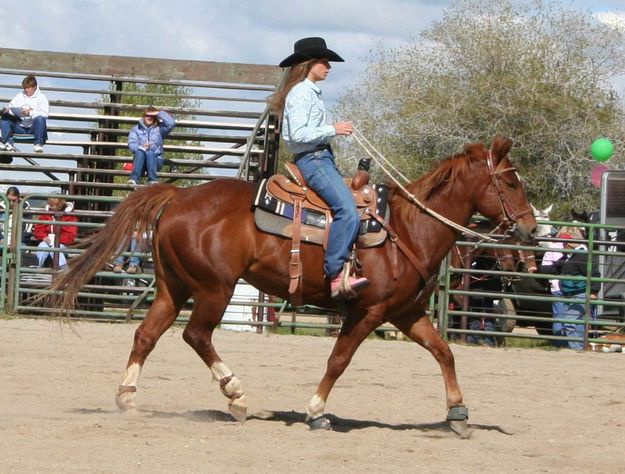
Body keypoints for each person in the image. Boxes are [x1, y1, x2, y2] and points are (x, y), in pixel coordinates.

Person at [270, 37, 369, 299]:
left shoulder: (308, 92)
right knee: (347, 209)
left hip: (320, 157)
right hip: (314, 159)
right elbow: (298, 135)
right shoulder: (302, 93)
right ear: (309, 63)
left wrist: (329, 131)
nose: (328, 66)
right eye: (324, 61)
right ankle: (336, 274)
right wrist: (332, 129)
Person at [546, 227, 600, 350]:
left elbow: (594, 274)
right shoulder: (570, 256)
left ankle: (577, 348)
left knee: (569, 321)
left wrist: (593, 291)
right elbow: (556, 268)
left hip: (580, 294)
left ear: (571, 243)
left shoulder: (581, 256)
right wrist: (537, 269)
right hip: (572, 294)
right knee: (574, 321)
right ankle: (579, 347)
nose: (562, 245)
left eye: (564, 243)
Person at [127, 107, 175, 186]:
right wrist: (142, 147)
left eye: (152, 116)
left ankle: (153, 180)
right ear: (143, 116)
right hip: (140, 161)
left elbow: (171, 123)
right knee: (140, 152)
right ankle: (134, 179)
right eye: (147, 115)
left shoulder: (160, 129)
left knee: (150, 153)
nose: (149, 117)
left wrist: (158, 113)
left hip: (156, 161)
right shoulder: (135, 129)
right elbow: (131, 143)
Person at [0, 75, 49, 153]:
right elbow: (11, 107)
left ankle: (38, 144)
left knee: (40, 118)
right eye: (25, 88)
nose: (26, 90)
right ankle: (7, 142)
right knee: (5, 118)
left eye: (28, 88)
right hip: (19, 127)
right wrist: (7, 111)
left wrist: (30, 113)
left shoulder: (42, 97)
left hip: (33, 128)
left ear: (35, 87)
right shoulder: (19, 96)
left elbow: (44, 114)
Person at [33, 196, 78, 268]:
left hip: (63, 243)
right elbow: (38, 229)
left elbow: (71, 235)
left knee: (55, 249)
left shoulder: (70, 217)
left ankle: (64, 271)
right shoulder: (46, 214)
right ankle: (36, 268)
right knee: (42, 246)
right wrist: (44, 237)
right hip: (48, 241)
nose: (51, 207)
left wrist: (57, 239)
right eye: (50, 205)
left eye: (53, 205)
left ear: (59, 205)